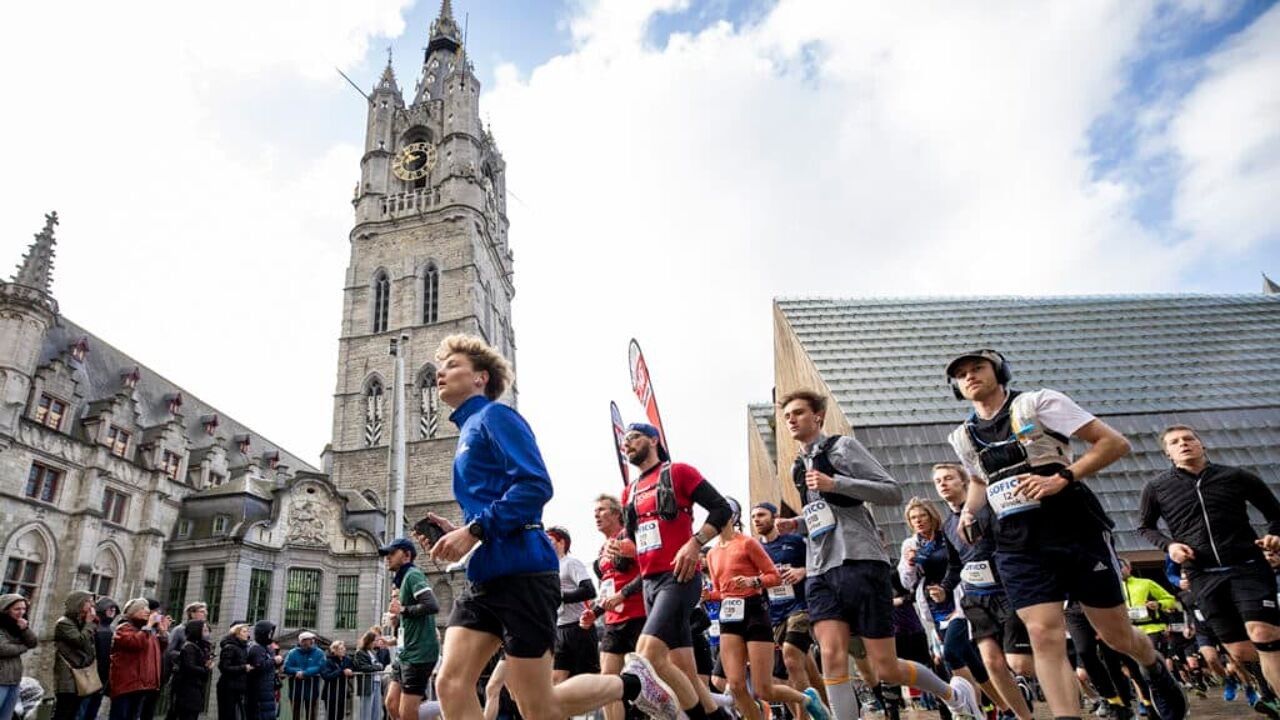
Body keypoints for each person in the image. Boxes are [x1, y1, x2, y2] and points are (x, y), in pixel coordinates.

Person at [424, 334, 675, 720]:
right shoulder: (466, 431)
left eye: (454, 365)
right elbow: (495, 504)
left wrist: (473, 531)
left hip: (524, 571)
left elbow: (535, 486)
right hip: (486, 574)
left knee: (539, 705)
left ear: (481, 378)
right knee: (451, 683)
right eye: (442, 366)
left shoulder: (495, 417)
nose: (442, 372)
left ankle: (633, 683)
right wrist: (461, 528)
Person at [945, 349, 1185, 720]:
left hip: (1075, 531)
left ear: (1000, 372)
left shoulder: (1038, 403)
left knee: (1117, 635)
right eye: (961, 374)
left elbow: (1114, 443)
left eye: (978, 368)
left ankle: (1153, 665)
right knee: (1043, 635)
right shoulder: (962, 436)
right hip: (1015, 543)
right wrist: (970, 511)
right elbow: (978, 479)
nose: (970, 376)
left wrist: (1062, 477)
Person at [773, 389, 982, 720]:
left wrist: (836, 483)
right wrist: (794, 524)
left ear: (817, 416)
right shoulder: (797, 467)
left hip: (860, 561)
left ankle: (953, 694)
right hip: (819, 569)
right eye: (787, 416)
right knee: (831, 655)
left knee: (885, 667)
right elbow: (821, 514)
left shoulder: (842, 448)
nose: (791, 420)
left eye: (798, 413)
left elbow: (891, 492)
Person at [1139, 424, 1280, 715]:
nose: (1184, 444)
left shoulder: (1236, 476)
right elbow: (1145, 526)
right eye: (1175, 442)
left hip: (1247, 565)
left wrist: (1274, 535)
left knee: (1263, 633)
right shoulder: (1156, 487)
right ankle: (1264, 681)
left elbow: (1275, 515)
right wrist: (1170, 546)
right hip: (1202, 575)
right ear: (1167, 452)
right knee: (1241, 651)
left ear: (1202, 444)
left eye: (1189, 439)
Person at [617, 421, 738, 720]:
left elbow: (722, 509)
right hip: (649, 584)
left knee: (645, 656)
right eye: (624, 442)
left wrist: (695, 543)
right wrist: (620, 547)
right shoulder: (628, 492)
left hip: (679, 577)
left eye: (633, 438)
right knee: (679, 669)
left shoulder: (679, 472)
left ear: (653, 440)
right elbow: (634, 539)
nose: (627, 444)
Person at [705, 496, 829, 720]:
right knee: (736, 686)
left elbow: (773, 576)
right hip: (734, 616)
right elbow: (721, 591)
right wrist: (707, 595)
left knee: (766, 688)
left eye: (761, 515)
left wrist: (755, 582)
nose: (712, 519)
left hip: (761, 612)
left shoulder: (748, 543)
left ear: (732, 517)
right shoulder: (712, 554)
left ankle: (807, 702)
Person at [929, 464, 1035, 720]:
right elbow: (956, 564)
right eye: (938, 481)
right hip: (975, 596)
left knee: (1020, 664)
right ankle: (1021, 716)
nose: (943, 484)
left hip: (1006, 591)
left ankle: (1041, 680)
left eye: (948, 479)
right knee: (991, 662)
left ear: (965, 482)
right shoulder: (947, 526)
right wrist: (944, 588)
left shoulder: (988, 509)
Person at [898, 496, 1002, 715]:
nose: (918, 521)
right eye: (913, 518)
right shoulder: (910, 544)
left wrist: (948, 587)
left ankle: (971, 707)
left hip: (959, 600)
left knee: (952, 654)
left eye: (922, 516)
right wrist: (908, 563)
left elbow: (963, 563)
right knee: (972, 662)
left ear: (932, 516)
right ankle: (1001, 706)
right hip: (934, 608)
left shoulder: (948, 535)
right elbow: (906, 582)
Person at [751, 502, 827, 718]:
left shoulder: (795, 542)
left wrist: (802, 571)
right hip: (775, 614)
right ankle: (830, 710)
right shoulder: (755, 549)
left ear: (774, 517)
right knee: (807, 669)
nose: (757, 519)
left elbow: (819, 564)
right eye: (754, 516)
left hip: (800, 607)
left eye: (762, 514)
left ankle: (803, 717)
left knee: (791, 657)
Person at [581, 494, 646, 720]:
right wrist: (594, 613)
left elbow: (648, 573)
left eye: (602, 510)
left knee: (652, 682)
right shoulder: (601, 551)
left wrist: (623, 595)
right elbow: (606, 590)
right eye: (595, 511)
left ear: (617, 513)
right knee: (607, 684)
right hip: (613, 623)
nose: (596, 515)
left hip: (641, 617)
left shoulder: (631, 537)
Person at [381, 537, 439, 720]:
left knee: (407, 713)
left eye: (392, 553)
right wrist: (397, 619)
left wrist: (403, 609)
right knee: (391, 704)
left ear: (406, 555)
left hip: (419, 653)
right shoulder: (401, 581)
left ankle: (448, 706)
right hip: (404, 653)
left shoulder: (413, 575)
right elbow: (408, 620)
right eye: (386, 554)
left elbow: (432, 605)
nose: (387, 558)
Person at [547, 525, 600, 683]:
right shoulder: (549, 569)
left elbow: (589, 591)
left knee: (588, 678)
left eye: (549, 540)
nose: (545, 545)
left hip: (580, 627)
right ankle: (567, 708)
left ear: (561, 542)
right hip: (559, 628)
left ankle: (602, 705)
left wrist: (559, 597)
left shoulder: (571, 563)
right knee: (557, 680)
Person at [108, 598, 171, 720]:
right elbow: (134, 643)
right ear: (133, 611)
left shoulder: (146, 631)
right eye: (143, 608)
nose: (147, 611)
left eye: (147, 608)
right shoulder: (124, 628)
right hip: (126, 685)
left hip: (142, 685)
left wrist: (163, 633)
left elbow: (157, 649)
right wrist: (148, 626)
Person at [54, 590, 99, 720]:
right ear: (78, 603)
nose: (92, 605)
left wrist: (88, 623)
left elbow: (89, 647)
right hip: (68, 675)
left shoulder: (82, 622)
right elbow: (80, 641)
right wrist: (89, 623)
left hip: (81, 672)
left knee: (75, 712)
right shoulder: (64, 623)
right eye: (88, 601)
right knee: (64, 712)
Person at [163, 602, 207, 720]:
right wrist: (186, 657)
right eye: (202, 612)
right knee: (175, 710)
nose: (205, 614)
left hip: (195, 678)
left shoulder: (203, 631)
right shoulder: (179, 630)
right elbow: (169, 651)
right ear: (192, 614)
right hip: (181, 676)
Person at [0, 594, 38, 720]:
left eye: (24, 609)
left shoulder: (18, 626)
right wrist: (23, 647)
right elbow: (4, 649)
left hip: (14, 681)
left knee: (6, 716)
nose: (21, 612)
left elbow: (33, 642)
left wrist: (25, 629)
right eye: (17, 609)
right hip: (1, 681)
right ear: (6, 609)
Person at [85, 597, 119, 720]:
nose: (112, 611)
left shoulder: (110, 630)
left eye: (114, 609)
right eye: (109, 609)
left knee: (93, 709)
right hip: (91, 675)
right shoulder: (93, 628)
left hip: (103, 677)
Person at [172, 620, 212, 720]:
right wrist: (206, 668)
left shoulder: (200, 647)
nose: (207, 634)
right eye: (204, 630)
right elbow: (190, 667)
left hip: (195, 688)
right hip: (188, 689)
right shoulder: (189, 647)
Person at [283, 632, 326, 720]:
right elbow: (286, 667)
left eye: (310, 640)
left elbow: (321, 666)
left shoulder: (319, 653)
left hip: (311, 689)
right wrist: (297, 671)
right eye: (305, 640)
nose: (309, 642)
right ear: (301, 641)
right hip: (296, 689)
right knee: (296, 714)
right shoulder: (292, 653)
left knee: (311, 714)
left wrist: (305, 673)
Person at [216, 623, 252, 720]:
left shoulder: (243, 648)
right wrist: (243, 668)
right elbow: (224, 667)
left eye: (247, 631)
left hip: (238, 687)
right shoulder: (230, 647)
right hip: (228, 687)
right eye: (244, 631)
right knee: (228, 715)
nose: (247, 634)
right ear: (237, 634)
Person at [245, 621, 279, 720]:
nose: (271, 636)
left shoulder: (267, 648)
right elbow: (259, 666)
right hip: (259, 691)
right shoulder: (256, 649)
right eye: (269, 633)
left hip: (267, 689)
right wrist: (274, 660)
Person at [351, 629, 386, 720]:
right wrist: (377, 667)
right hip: (367, 684)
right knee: (366, 710)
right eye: (374, 641)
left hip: (376, 682)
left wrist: (376, 666)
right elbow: (363, 667)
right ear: (369, 641)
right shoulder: (360, 653)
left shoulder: (373, 653)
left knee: (376, 711)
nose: (376, 643)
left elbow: (379, 665)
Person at [320, 640, 354, 720]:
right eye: (341, 649)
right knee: (331, 716)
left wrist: (350, 672)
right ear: (334, 650)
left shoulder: (347, 660)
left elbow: (352, 669)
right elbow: (326, 676)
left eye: (344, 648)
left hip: (342, 693)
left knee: (340, 716)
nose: (344, 650)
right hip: (330, 694)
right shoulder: (328, 661)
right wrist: (342, 672)